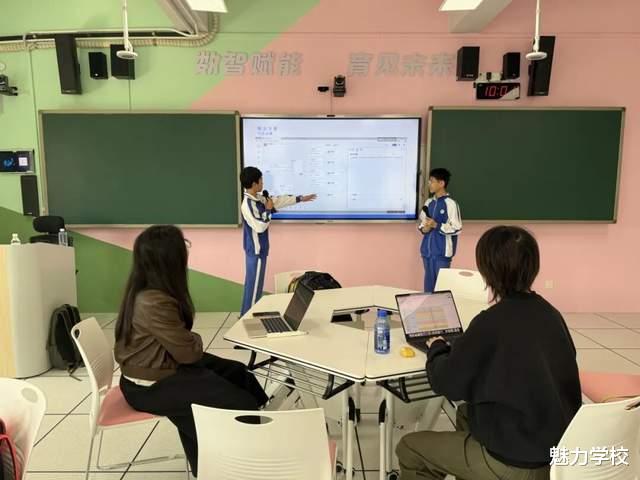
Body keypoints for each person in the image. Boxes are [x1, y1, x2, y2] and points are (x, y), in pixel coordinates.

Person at [396, 226, 582, 480]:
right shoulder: (551, 314)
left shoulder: (490, 323)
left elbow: (446, 383)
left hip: (517, 463)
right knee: (465, 413)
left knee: (410, 449)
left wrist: (437, 347)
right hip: (555, 452)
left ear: (487, 270)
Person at [114, 225, 268, 478]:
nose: (186, 252)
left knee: (238, 372)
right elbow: (190, 353)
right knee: (241, 403)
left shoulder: (150, 291)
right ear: (170, 259)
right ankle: (242, 461)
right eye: (183, 246)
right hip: (148, 386)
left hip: (162, 367)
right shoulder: (154, 302)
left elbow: (183, 347)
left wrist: (187, 340)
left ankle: (262, 430)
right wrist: (192, 338)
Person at [239, 166, 316, 315]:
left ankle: (246, 316)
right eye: (261, 180)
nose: (263, 183)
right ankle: (247, 318)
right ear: (254, 183)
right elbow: (260, 226)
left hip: (259, 251)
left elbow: (277, 201)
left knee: (254, 286)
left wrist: (300, 198)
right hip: (256, 251)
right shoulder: (247, 204)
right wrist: (268, 210)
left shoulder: (259, 198)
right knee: (254, 289)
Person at [418, 168, 462, 293]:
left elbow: (457, 227)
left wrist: (437, 225)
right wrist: (425, 228)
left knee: (441, 290)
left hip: (442, 254)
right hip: (427, 253)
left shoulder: (451, 204)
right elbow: (422, 223)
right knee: (428, 289)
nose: (429, 184)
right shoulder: (428, 202)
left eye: (432, 181)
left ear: (441, 183)